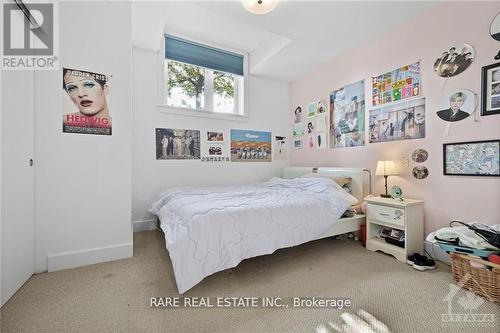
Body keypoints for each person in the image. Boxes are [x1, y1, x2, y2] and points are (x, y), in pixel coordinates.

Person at [62, 68, 111, 134]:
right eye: (72, 88)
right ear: (69, 95)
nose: (81, 94)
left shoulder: (119, 126)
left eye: (89, 85)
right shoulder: (63, 122)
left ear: (105, 89)